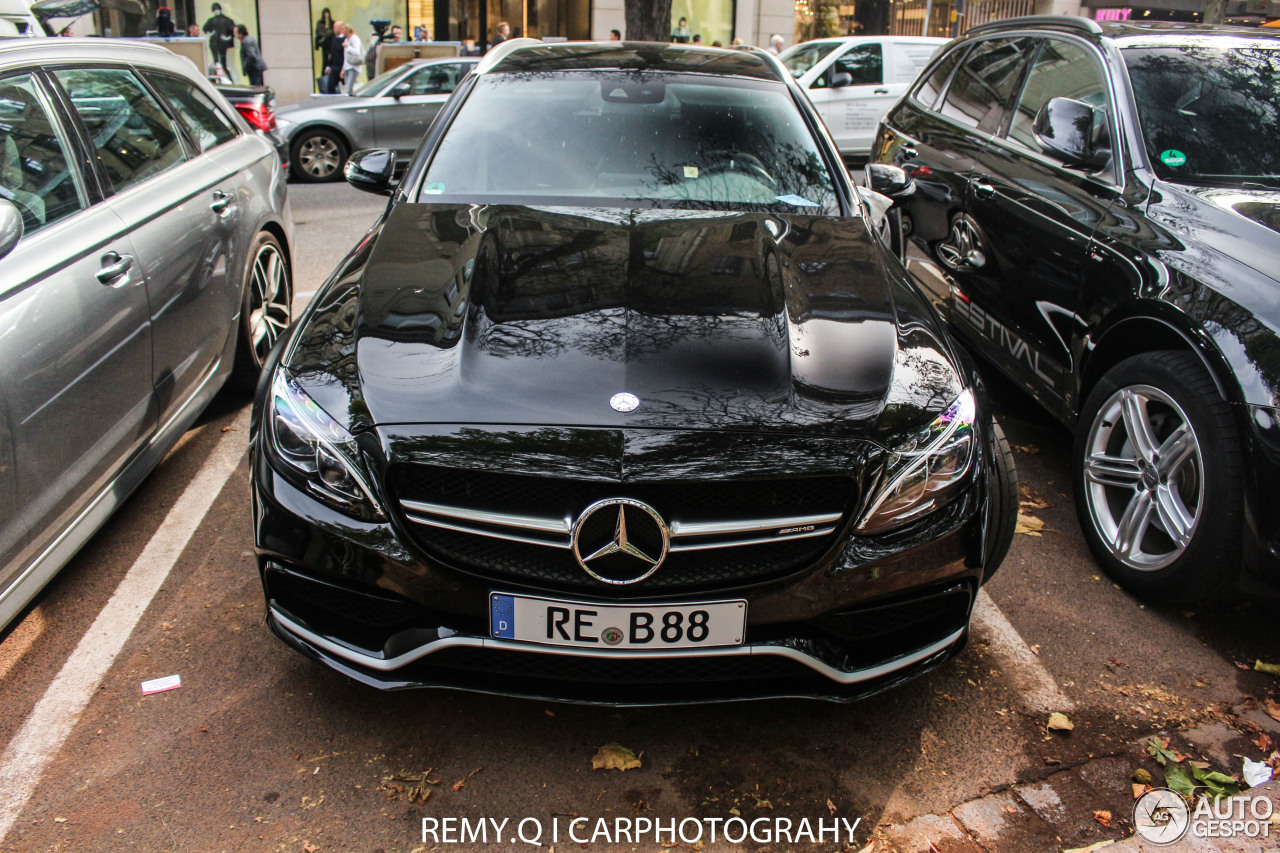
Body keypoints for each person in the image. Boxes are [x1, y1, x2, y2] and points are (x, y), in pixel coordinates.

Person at [203, 3, 236, 79]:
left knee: (224, 64)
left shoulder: (227, 20)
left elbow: (233, 30)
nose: (216, 11)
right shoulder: (212, 20)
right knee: (216, 63)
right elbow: (205, 29)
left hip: (223, 44)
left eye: (217, 10)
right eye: (215, 10)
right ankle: (220, 79)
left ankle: (229, 79)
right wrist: (210, 33)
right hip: (214, 43)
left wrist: (228, 37)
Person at [323, 20, 345, 93]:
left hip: (343, 67)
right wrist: (328, 66)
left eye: (335, 27)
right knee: (330, 86)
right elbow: (332, 54)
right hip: (335, 67)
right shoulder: (334, 39)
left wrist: (344, 68)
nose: (334, 29)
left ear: (341, 28)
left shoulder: (345, 39)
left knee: (347, 87)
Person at [341, 23, 363, 94]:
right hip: (347, 66)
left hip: (353, 66)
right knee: (347, 88)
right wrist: (343, 68)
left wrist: (348, 47)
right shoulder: (347, 39)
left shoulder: (354, 38)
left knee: (348, 88)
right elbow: (345, 56)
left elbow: (357, 52)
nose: (342, 31)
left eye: (343, 29)